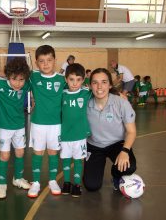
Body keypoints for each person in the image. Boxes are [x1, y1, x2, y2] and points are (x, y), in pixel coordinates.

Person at [83, 68, 137, 192]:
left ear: (110, 84)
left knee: (130, 167)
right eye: (95, 82)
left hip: (117, 144)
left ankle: (116, 175)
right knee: (92, 186)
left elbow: (131, 131)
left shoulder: (121, 103)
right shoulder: (85, 103)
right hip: (93, 145)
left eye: (104, 82)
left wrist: (124, 151)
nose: (99, 87)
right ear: (90, 85)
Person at [28, 45, 66, 198]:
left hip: (56, 124)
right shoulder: (33, 77)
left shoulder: (62, 80)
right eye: (42, 61)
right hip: (38, 123)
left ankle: (52, 180)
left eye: (49, 60)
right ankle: (36, 182)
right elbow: (14, 78)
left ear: (55, 61)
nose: (46, 64)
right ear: (36, 62)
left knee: (53, 152)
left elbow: (79, 90)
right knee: (38, 152)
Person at [0, 57, 31, 199]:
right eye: (14, 79)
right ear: (8, 76)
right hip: (3, 126)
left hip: (19, 125)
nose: (18, 83)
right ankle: (2, 184)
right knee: (5, 155)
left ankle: (18, 178)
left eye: (21, 79)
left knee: (20, 152)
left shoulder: (26, 85)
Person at [60, 63, 91, 197]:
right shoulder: (61, 94)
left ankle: (77, 184)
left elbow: (104, 92)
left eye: (78, 80)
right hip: (64, 134)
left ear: (83, 80)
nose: (75, 83)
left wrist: (120, 94)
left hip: (80, 135)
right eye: (71, 79)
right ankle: (67, 182)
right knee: (66, 159)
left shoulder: (86, 93)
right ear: (66, 79)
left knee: (78, 160)